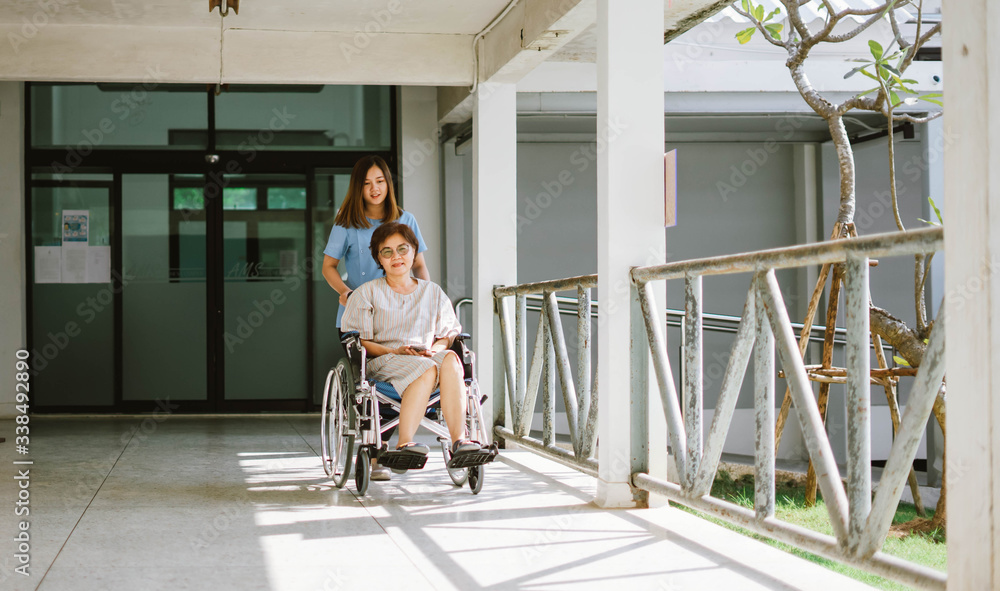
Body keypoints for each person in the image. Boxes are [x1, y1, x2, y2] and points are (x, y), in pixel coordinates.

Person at [322, 155, 429, 481]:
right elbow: (328, 267)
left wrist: (426, 297)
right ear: (359, 186)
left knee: (417, 367)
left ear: (388, 183)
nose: (374, 188)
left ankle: (402, 442)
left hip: (402, 317)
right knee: (371, 381)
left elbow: (420, 266)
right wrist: (345, 292)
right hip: (361, 318)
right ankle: (376, 450)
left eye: (379, 181)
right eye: (367, 183)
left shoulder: (405, 219)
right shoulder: (346, 223)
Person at [341, 222, 481, 463]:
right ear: (379, 259)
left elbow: (448, 334)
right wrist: (395, 350)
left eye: (402, 249)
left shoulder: (433, 292)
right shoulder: (366, 293)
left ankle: (460, 441)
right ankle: (404, 443)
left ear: (414, 252)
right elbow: (360, 342)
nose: (396, 256)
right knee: (426, 369)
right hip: (384, 360)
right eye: (387, 251)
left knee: (452, 359)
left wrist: (433, 350)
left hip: (426, 358)